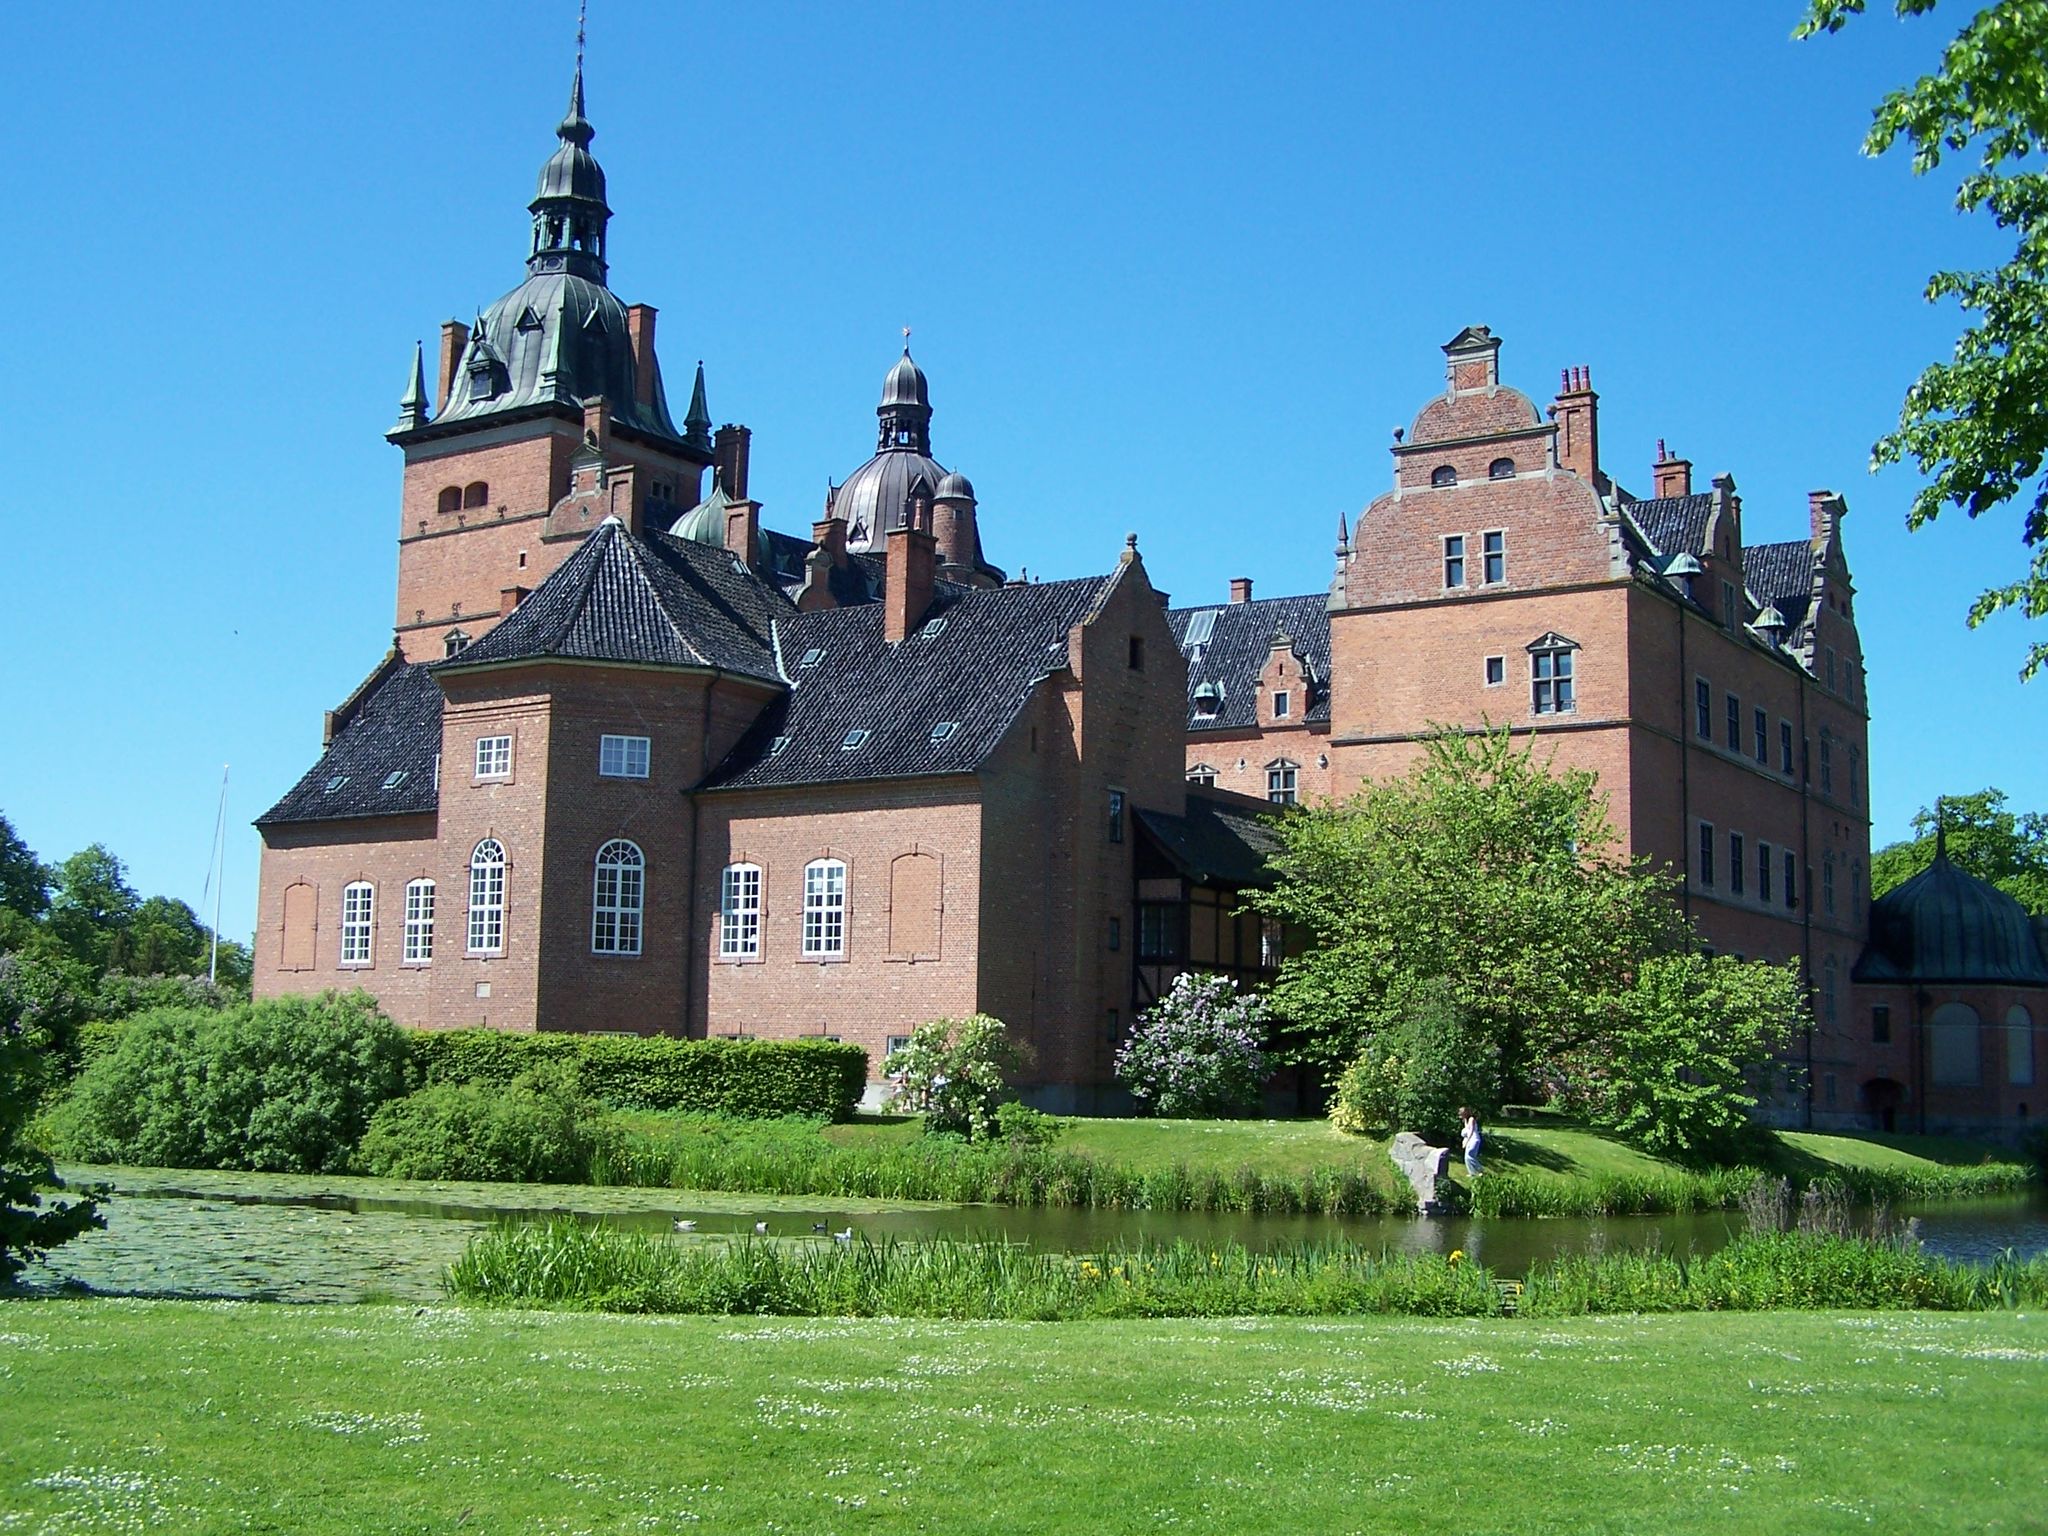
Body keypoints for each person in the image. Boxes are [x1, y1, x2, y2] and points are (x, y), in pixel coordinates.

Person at [1459, 1106, 1482, 1178]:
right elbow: (1466, 1130)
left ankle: (1480, 1170)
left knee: (1470, 1155)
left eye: (1462, 1114)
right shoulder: (1466, 1120)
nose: (1461, 1115)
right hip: (1469, 1140)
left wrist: (1466, 1142)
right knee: (1466, 1158)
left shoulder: (1471, 1119)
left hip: (1474, 1140)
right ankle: (1472, 1173)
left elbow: (1471, 1131)